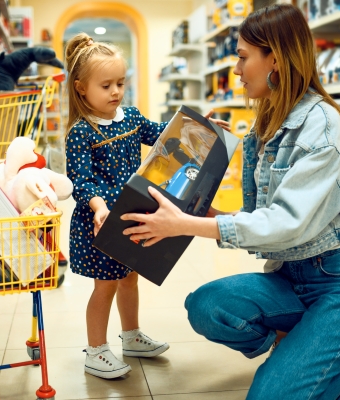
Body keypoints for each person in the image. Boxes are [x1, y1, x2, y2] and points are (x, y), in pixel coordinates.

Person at [120, 4, 340, 399]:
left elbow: (287, 223)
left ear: (276, 57)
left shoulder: (322, 127)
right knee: (207, 306)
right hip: (289, 276)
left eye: (241, 57)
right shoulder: (265, 128)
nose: (235, 69)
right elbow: (261, 219)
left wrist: (187, 225)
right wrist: (199, 212)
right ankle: (303, 341)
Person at [63, 32, 229, 380]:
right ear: (80, 88)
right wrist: (96, 205)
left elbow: (165, 135)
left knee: (129, 277)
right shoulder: (82, 132)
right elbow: (81, 180)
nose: (116, 92)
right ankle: (95, 350)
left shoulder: (131, 117)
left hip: (130, 213)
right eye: (105, 85)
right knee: (105, 285)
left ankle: (131, 336)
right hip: (100, 222)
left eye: (120, 83)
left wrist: (202, 124)